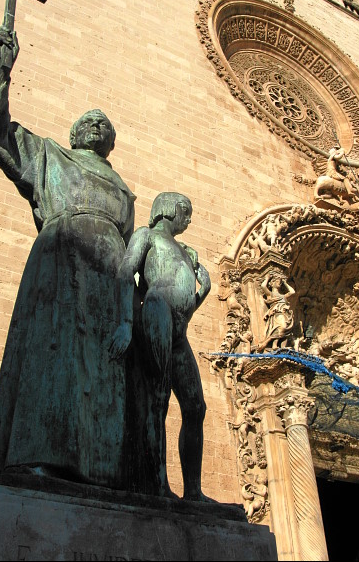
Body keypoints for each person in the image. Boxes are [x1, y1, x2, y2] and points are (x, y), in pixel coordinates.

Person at [0, 26, 136, 490]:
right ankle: (38, 455)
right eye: (87, 120)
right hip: (61, 259)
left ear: (111, 141)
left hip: (109, 276)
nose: (95, 124)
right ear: (73, 133)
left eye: (103, 123)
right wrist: (2, 70)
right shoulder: (50, 156)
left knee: (103, 368)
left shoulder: (125, 191)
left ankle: (99, 469)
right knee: (54, 352)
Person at [110, 192, 211, 500]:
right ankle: (157, 484)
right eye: (186, 211)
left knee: (195, 407)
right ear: (168, 210)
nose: (189, 219)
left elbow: (188, 302)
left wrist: (203, 291)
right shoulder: (147, 235)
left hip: (179, 328)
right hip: (156, 310)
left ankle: (193, 492)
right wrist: (126, 322)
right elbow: (126, 271)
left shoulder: (185, 251)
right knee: (159, 396)